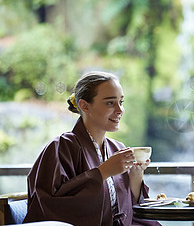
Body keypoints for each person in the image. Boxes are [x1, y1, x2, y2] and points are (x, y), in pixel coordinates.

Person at [24, 71, 160, 226]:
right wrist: (103, 172)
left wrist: (135, 176)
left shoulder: (117, 148)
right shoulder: (61, 147)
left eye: (121, 102)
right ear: (84, 105)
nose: (120, 110)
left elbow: (128, 213)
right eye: (110, 103)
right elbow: (49, 205)